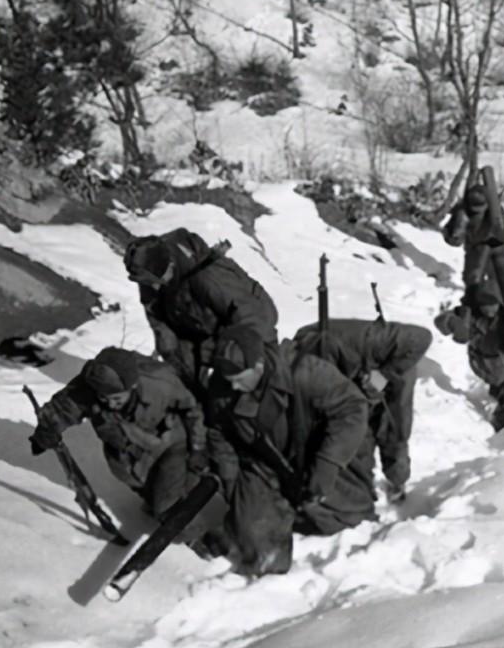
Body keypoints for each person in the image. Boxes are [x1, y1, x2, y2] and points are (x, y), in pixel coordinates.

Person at [204, 327, 371, 576]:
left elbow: (352, 408)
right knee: (254, 538)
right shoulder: (222, 389)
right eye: (230, 381)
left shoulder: (304, 370)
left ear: (259, 364)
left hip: (314, 457)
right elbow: (218, 433)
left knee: (348, 518)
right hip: (265, 466)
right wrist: (230, 481)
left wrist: (328, 463)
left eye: (240, 379)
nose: (235, 387)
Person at [28, 347, 211, 527]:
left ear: (132, 386)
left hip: (170, 444)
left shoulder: (161, 383)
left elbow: (192, 409)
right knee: (144, 486)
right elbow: (61, 410)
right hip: (127, 454)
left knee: (167, 507)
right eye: (104, 398)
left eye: (116, 398)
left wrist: (198, 447)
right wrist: (44, 433)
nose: (110, 404)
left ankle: (193, 534)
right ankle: (160, 498)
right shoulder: (92, 384)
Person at [292, 318, 433, 502]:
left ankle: (397, 481)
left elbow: (422, 337)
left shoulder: (370, 338)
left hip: (395, 375)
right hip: (356, 379)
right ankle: (363, 487)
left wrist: (383, 375)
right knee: (357, 430)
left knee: (393, 430)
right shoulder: (303, 358)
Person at [123, 228, 279, 394]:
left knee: (245, 375)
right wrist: (172, 356)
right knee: (190, 380)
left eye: (157, 281)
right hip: (196, 326)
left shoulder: (207, 276)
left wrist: (258, 365)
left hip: (245, 322)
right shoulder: (149, 274)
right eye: (148, 283)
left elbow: (251, 316)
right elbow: (158, 319)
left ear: (170, 266)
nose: (154, 287)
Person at [434, 285, 504, 432]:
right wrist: (451, 322)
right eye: (485, 307)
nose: (489, 310)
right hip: (485, 364)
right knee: (498, 389)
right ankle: (502, 410)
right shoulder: (472, 314)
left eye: (493, 306)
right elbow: (441, 321)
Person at [441, 184, 504, 303]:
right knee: (472, 281)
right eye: (474, 208)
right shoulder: (462, 212)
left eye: (480, 208)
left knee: (498, 283)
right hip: (474, 249)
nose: (477, 212)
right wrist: (453, 238)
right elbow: (450, 231)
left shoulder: (495, 211)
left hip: (493, 248)